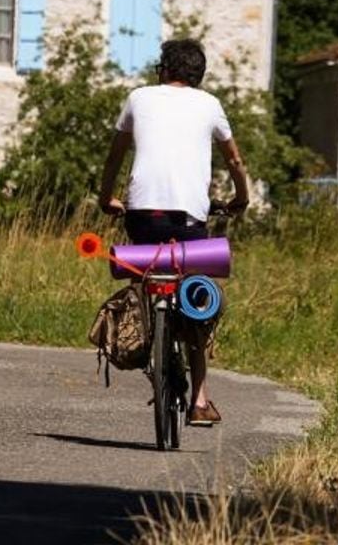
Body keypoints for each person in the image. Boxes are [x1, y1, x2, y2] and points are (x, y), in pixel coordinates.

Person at [98, 38, 249, 426]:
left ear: (164, 69)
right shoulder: (210, 104)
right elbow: (234, 158)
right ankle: (200, 400)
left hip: (142, 215)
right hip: (189, 221)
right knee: (196, 296)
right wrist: (241, 197)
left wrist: (105, 197)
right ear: (197, 75)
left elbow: (116, 153)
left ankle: (149, 336)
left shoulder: (138, 97)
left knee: (148, 280)